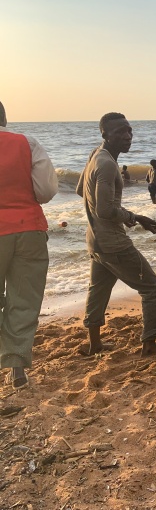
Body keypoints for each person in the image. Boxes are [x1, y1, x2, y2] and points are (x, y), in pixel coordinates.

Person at [76, 113, 156, 357]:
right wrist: (135, 218)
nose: (128, 136)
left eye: (129, 130)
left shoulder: (95, 155)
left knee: (98, 290)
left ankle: (94, 344)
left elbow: (81, 191)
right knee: (152, 286)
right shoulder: (107, 164)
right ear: (105, 134)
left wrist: (117, 216)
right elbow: (105, 209)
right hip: (113, 243)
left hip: (95, 240)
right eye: (120, 132)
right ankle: (150, 345)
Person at [0, 101, 58, 390]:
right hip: (28, 227)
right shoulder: (27, 143)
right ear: (5, 119)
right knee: (24, 299)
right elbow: (46, 190)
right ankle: (16, 366)